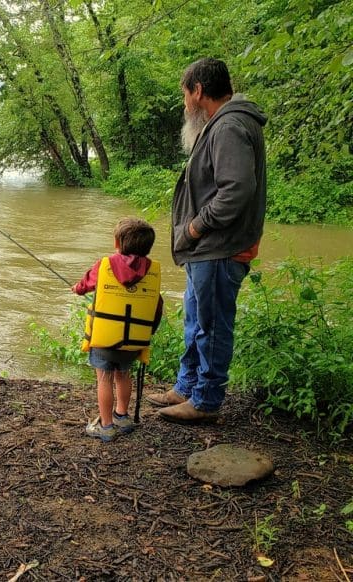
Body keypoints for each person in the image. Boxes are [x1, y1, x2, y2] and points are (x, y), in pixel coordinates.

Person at [147, 57, 267, 424]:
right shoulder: (221, 124)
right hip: (207, 251)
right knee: (196, 321)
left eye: (185, 95)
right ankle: (186, 387)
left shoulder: (228, 126)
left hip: (219, 247)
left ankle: (206, 401)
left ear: (199, 91)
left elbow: (236, 190)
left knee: (212, 328)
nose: (185, 104)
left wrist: (196, 227)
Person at [73, 218, 163, 442]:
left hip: (105, 340)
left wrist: (76, 288)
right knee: (123, 375)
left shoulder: (104, 265)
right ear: (148, 247)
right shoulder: (153, 271)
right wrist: (147, 333)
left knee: (104, 379)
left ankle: (106, 426)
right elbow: (156, 306)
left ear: (117, 242)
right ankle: (122, 416)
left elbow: (84, 285)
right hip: (134, 341)